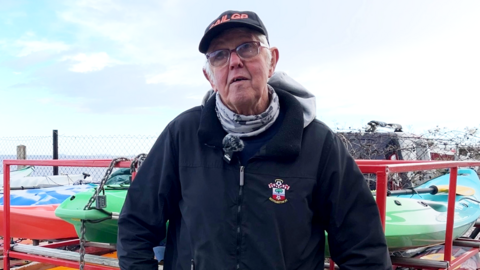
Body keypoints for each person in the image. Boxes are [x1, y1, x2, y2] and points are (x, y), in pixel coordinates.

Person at [117, 10, 392, 270]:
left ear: (271, 60)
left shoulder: (319, 144)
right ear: (209, 76)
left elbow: (364, 248)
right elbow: (136, 225)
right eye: (219, 55)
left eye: (247, 48)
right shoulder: (182, 134)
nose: (234, 61)